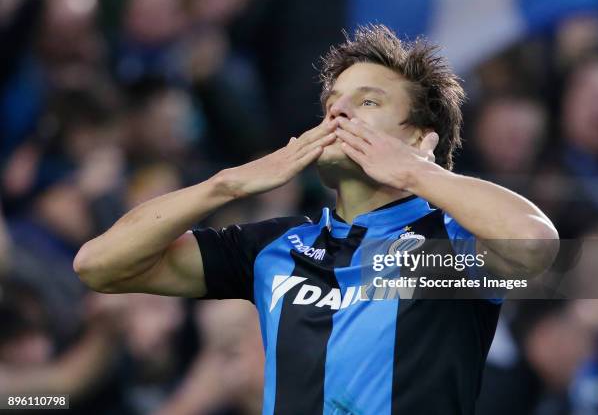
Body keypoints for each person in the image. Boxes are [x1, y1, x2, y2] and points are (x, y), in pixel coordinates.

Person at [74, 25, 559, 414]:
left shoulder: (448, 245)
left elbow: (535, 244)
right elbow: (99, 265)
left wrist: (414, 172)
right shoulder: (277, 246)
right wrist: (227, 184)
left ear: (419, 138)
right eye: (332, 105)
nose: (337, 115)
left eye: (367, 102)